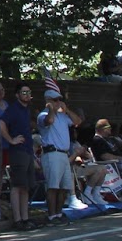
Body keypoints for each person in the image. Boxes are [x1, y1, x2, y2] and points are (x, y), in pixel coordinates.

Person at [36, 85, 82, 222]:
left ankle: (59, 213)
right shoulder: (43, 115)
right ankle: (51, 215)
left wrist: (66, 110)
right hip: (52, 153)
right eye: (55, 100)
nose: (58, 102)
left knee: (64, 187)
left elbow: (77, 122)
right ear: (49, 100)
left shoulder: (63, 116)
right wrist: (50, 108)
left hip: (63, 154)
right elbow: (49, 121)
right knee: (53, 186)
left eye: (59, 100)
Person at [0, 83, 36, 229]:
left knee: (26, 186)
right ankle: (18, 219)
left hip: (27, 150)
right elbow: (1, 123)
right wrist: (10, 140)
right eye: (24, 92)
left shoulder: (26, 110)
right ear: (17, 95)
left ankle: (25, 218)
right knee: (17, 185)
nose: (27, 95)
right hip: (18, 151)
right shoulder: (13, 109)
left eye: (28, 92)